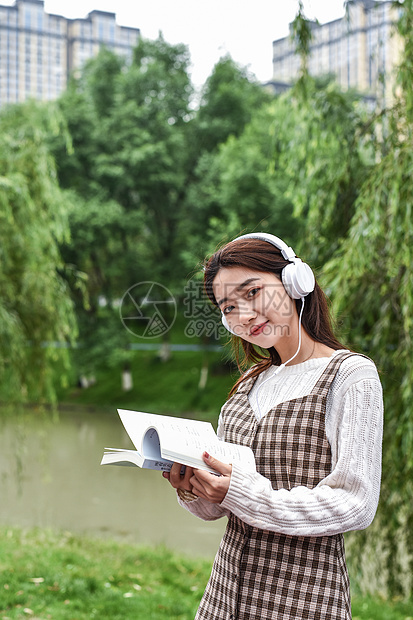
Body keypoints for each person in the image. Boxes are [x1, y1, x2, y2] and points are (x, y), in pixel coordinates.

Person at [163, 233, 383, 620]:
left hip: (303, 598)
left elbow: (356, 503)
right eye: (229, 306)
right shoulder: (249, 382)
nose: (244, 314)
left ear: (296, 282)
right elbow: (220, 507)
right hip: (224, 594)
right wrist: (195, 488)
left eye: (252, 292)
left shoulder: (350, 376)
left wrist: (244, 493)